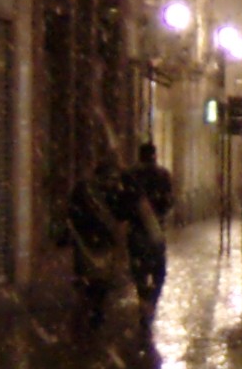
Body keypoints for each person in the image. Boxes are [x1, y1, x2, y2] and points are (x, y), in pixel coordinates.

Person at [60, 159, 130, 334]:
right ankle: (90, 314)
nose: (113, 182)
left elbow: (120, 214)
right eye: (110, 178)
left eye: (115, 179)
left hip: (96, 242)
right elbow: (74, 213)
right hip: (88, 241)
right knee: (93, 279)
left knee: (96, 279)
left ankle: (92, 313)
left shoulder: (100, 192)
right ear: (101, 176)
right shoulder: (89, 191)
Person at [125, 139, 175, 307]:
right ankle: (151, 301)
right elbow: (169, 202)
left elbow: (122, 204)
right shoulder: (163, 175)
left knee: (138, 270)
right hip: (155, 229)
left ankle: (143, 297)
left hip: (136, 229)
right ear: (155, 156)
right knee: (158, 270)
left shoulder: (130, 175)